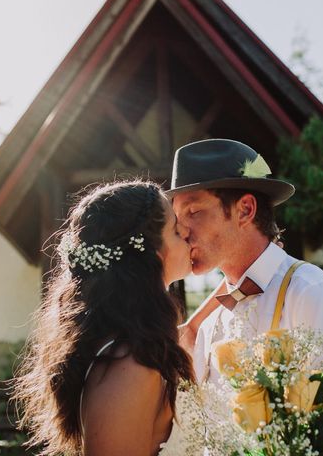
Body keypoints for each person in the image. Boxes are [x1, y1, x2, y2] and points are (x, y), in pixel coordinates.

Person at [170, 139, 323, 455]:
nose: (182, 231)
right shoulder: (209, 326)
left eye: (194, 211)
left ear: (245, 210)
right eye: (178, 218)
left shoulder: (314, 297)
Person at [11, 180, 194, 456]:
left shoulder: (137, 349)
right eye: (177, 231)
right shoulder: (129, 367)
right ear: (154, 257)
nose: (188, 235)